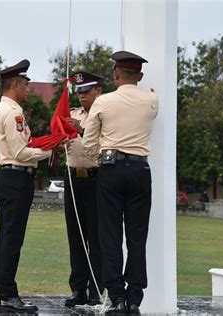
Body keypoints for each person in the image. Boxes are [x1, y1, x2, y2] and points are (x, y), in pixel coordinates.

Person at [82, 51, 158, 315]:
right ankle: (135, 297)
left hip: (111, 170)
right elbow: (152, 109)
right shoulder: (151, 100)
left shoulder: (103, 101)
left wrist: (101, 158)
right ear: (140, 76)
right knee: (137, 237)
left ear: (116, 74)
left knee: (110, 236)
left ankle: (117, 298)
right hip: (140, 170)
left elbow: (90, 142)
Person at [0, 59, 58, 313]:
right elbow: (20, 152)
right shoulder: (13, 112)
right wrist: (50, 148)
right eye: (26, 85)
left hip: (8, 177)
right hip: (16, 177)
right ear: (16, 84)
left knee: (5, 236)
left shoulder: (4, 109)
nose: (28, 90)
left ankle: (3, 290)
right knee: (12, 237)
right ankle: (8, 292)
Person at [63, 71, 104, 307]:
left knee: (96, 237)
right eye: (78, 92)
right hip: (72, 178)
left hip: (95, 177)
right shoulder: (72, 114)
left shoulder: (104, 114)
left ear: (98, 90)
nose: (81, 97)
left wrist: (80, 129)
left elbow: (103, 142)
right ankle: (78, 288)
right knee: (76, 236)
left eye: (86, 91)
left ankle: (96, 289)